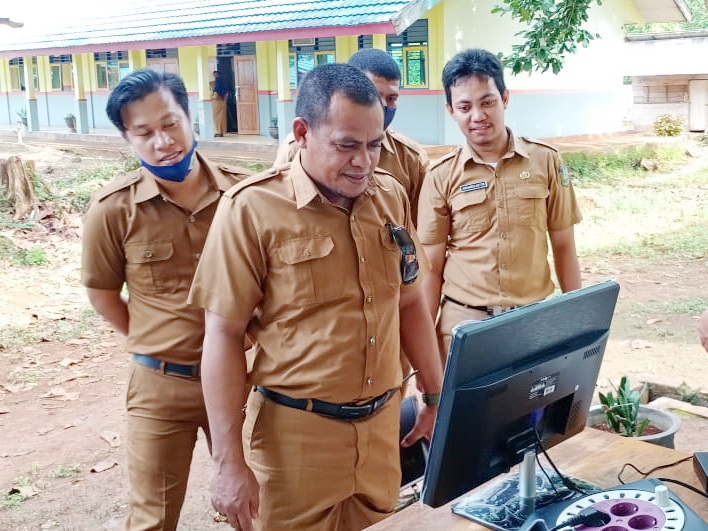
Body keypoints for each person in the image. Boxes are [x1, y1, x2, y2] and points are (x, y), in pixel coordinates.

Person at [188, 63, 443, 531]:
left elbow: (409, 303)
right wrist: (228, 462)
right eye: (346, 145)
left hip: (381, 431)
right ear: (302, 133)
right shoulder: (252, 209)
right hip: (296, 441)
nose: (363, 161)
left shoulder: (389, 196)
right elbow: (222, 336)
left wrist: (433, 392)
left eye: (374, 145)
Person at [81, 68, 250, 531]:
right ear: (128, 139)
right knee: (152, 518)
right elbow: (102, 293)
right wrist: (154, 338)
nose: (163, 142)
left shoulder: (243, 195)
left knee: (259, 508)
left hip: (243, 379)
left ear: (190, 117)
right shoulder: (112, 210)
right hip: (161, 388)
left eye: (171, 123)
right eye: (145, 133)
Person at [417, 48, 582, 363]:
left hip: (533, 322)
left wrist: (576, 321)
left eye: (487, 102)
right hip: (465, 327)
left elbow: (564, 246)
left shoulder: (546, 161)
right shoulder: (440, 176)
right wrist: (425, 352)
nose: (478, 116)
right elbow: (431, 270)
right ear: (451, 110)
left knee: (537, 397)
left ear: (505, 98)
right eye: (464, 107)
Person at [273, 48, 429, 224]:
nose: (383, 106)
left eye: (391, 98)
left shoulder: (409, 158)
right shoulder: (300, 147)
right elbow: (280, 203)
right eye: (346, 145)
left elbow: (416, 225)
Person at [211, 70, 228, 137]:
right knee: (222, 118)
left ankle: (218, 132)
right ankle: (221, 132)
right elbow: (226, 95)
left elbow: (215, 96)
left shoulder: (217, 86)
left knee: (217, 118)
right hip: (223, 102)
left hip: (217, 104)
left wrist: (210, 97)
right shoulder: (224, 84)